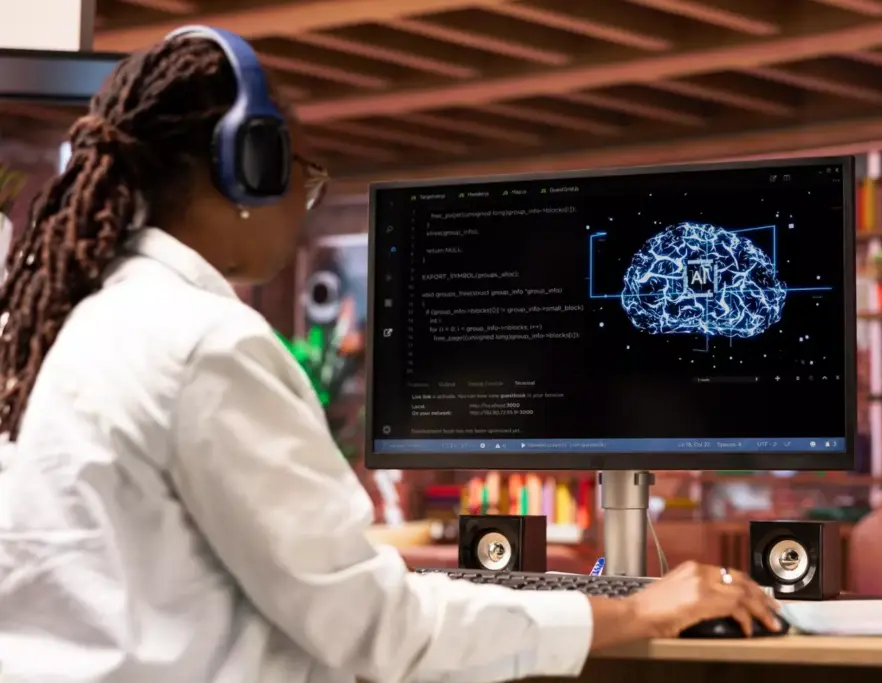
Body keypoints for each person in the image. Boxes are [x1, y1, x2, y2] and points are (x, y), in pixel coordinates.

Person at [0, 28, 780, 683]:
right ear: (252, 165)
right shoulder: (204, 343)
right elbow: (375, 628)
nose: (300, 212)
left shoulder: (54, 327)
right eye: (302, 176)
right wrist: (637, 609)